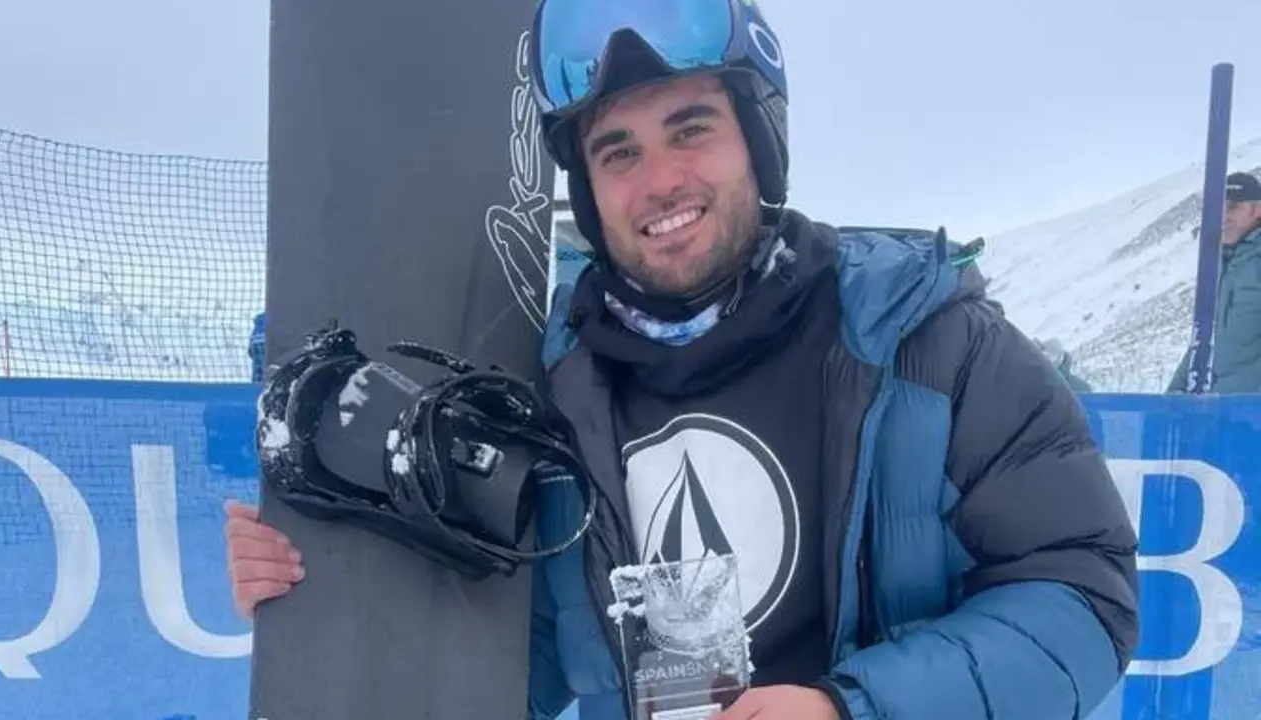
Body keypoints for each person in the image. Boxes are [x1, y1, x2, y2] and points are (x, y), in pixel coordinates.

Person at [224, 1, 1139, 718]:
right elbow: (513, 671)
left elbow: (1082, 595)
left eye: (691, 128)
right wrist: (332, 583)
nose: (659, 181)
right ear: (587, 191)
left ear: (759, 142)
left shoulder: (930, 342)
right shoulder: (550, 402)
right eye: (617, 152)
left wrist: (851, 708)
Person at [1168, 170, 1261, 393]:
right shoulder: (1217, 264)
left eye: (1233, 207)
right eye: (1219, 208)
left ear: (1257, 209)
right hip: (1216, 410)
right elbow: (1204, 339)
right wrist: (1175, 393)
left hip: (1250, 413)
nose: (1223, 216)